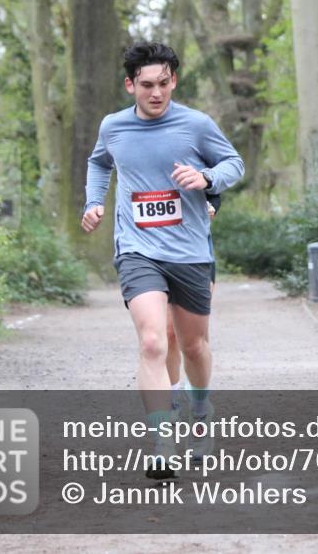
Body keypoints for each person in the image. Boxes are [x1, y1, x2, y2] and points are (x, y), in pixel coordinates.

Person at [82, 42, 244, 478]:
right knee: (154, 341)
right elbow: (99, 163)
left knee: (192, 345)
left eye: (164, 84)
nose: (156, 93)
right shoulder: (113, 127)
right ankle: (161, 442)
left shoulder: (196, 125)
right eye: (147, 85)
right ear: (130, 85)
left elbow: (234, 163)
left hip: (190, 250)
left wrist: (207, 176)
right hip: (137, 250)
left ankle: (201, 408)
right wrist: (93, 202)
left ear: (174, 81)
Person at [166, 195, 219, 417]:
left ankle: (199, 400)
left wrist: (211, 206)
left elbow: (216, 181)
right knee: (168, 333)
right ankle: (172, 397)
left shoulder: (196, 160)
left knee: (194, 342)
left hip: (196, 251)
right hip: (152, 250)